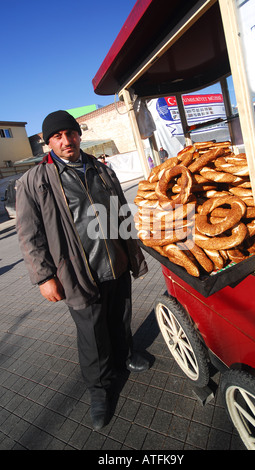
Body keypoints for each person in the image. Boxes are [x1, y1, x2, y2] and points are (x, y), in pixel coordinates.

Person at [16, 110, 149, 430]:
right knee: (92, 335)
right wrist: (44, 277)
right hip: (76, 272)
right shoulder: (35, 181)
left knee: (120, 318)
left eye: (70, 133)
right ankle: (100, 390)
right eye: (57, 137)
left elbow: (119, 210)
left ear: (78, 134)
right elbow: (28, 234)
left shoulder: (101, 169)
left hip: (115, 262)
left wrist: (133, 249)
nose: (66, 141)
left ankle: (125, 356)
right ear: (47, 143)